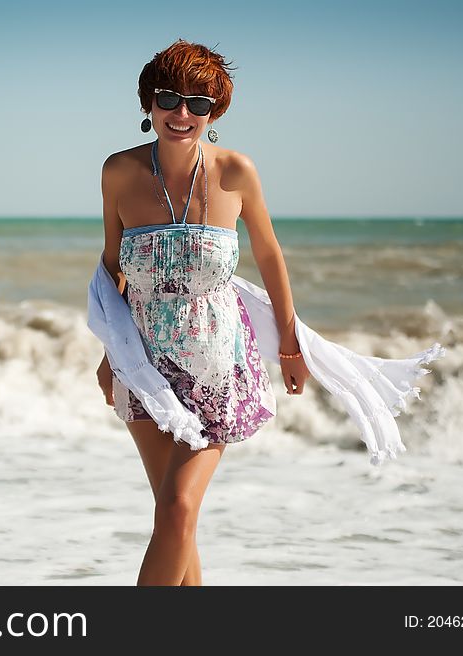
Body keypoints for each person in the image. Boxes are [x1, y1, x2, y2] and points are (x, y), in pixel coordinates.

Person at [95, 38, 312, 586]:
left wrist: (289, 344)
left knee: (176, 513)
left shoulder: (235, 172)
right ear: (149, 105)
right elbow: (112, 268)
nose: (182, 113)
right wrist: (109, 353)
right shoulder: (119, 172)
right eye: (169, 98)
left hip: (217, 369)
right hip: (144, 370)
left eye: (199, 102)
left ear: (216, 112)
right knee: (174, 521)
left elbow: (268, 254)